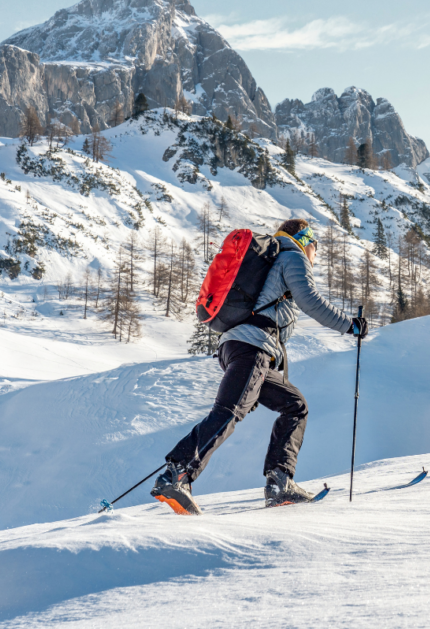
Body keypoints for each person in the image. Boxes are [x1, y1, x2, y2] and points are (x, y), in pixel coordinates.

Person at [152, 218, 368, 514]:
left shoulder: (274, 259)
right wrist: (350, 326)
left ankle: (280, 482)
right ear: (306, 240)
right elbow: (311, 301)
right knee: (228, 413)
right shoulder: (292, 257)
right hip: (251, 347)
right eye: (316, 247)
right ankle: (176, 474)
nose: (316, 255)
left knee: (295, 405)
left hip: (244, 348)